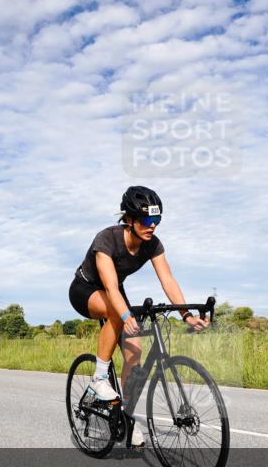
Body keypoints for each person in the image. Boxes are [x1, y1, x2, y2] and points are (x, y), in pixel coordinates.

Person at [68, 186, 208, 447]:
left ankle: (127, 418)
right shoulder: (107, 239)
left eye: (157, 220)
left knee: (135, 349)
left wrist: (186, 315)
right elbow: (110, 287)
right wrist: (124, 314)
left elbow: (168, 280)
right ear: (129, 220)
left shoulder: (152, 244)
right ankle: (99, 378)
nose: (152, 226)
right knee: (117, 313)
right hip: (85, 289)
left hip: (114, 293)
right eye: (145, 220)